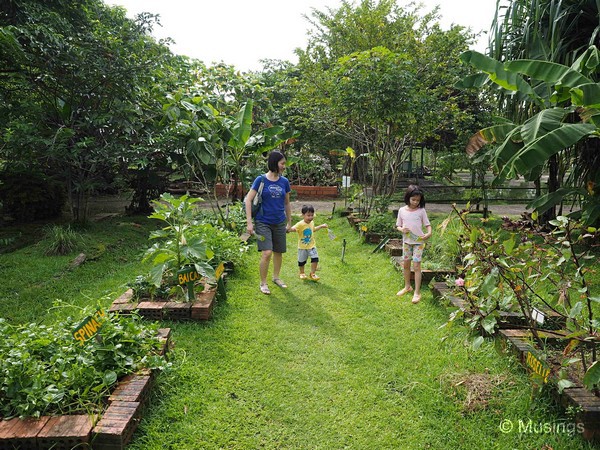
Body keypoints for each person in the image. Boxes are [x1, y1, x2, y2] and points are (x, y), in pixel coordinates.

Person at [245, 150, 292, 295]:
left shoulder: (284, 182)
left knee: (278, 251)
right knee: (267, 253)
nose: (284, 166)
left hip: (279, 222)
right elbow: (248, 199)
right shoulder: (261, 180)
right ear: (274, 163)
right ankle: (263, 283)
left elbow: (287, 204)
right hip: (262, 222)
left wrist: (289, 222)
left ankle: (276, 277)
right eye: (282, 163)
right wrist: (249, 222)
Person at [396, 185, 432, 304]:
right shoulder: (402, 210)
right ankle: (407, 287)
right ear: (408, 198)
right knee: (406, 265)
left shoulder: (421, 211)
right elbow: (398, 225)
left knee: (416, 267)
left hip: (418, 243)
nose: (416, 202)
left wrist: (429, 233)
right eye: (413, 199)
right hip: (407, 242)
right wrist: (402, 230)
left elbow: (427, 225)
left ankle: (417, 292)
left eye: (418, 200)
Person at [289, 205, 328, 281]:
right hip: (302, 247)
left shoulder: (312, 223)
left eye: (312, 215)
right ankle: (302, 273)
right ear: (303, 215)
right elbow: (293, 229)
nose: (310, 217)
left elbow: (313, 229)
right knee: (301, 261)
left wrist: (321, 226)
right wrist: (288, 229)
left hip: (312, 246)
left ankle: (312, 273)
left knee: (315, 259)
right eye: (308, 215)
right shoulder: (300, 224)